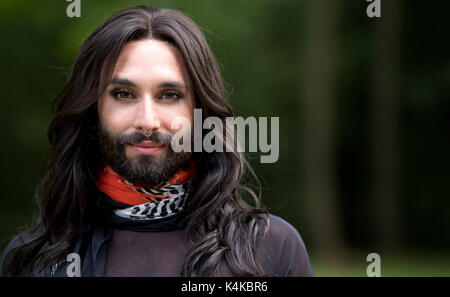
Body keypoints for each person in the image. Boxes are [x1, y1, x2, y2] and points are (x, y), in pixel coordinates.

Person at [0, 5, 313, 277]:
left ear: (199, 112)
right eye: (123, 94)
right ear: (92, 111)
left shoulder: (271, 249)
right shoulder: (31, 259)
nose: (148, 120)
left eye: (170, 95)